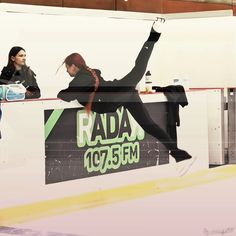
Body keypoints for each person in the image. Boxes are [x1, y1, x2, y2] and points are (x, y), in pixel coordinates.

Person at [57, 18, 192, 163]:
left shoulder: (82, 77)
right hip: (123, 93)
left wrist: (63, 93)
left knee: (138, 70)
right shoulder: (91, 73)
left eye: (67, 67)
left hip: (115, 94)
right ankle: (178, 153)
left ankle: (154, 34)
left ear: (73, 66)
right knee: (149, 124)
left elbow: (66, 96)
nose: (67, 71)